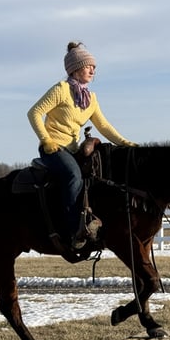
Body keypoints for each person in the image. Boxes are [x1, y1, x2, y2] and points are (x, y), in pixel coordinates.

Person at [27, 41, 136, 250]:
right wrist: (46, 139)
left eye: (94, 67)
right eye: (88, 66)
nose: (93, 70)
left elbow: (103, 125)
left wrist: (124, 143)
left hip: (74, 149)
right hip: (54, 148)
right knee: (73, 175)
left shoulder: (90, 98)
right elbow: (34, 112)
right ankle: (73, 231)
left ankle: (93, 220)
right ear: (75, 68)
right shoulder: (61, 89)